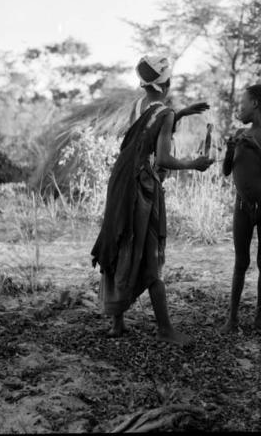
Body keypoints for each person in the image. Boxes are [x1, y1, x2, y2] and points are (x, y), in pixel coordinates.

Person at [91, 55, 214, 345]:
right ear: (167, 83)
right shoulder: (166, 113)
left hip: (120, 180)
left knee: (120, 238)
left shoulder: (138, 105)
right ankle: (165, 329)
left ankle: (117, 323)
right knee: (149, 249)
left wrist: (181, 113)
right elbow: (163, 158)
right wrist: (193, 164)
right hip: (142, 186)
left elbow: (147, 127)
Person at [220, 84, 261, 334]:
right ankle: (232, 319)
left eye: (243, 102)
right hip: (241, 206)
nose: (240, 107)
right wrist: (229, 150)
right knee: (240, 262)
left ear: (255, 104)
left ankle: (260, 319)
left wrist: (256, 149)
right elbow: (227, 170)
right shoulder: (239, 133)